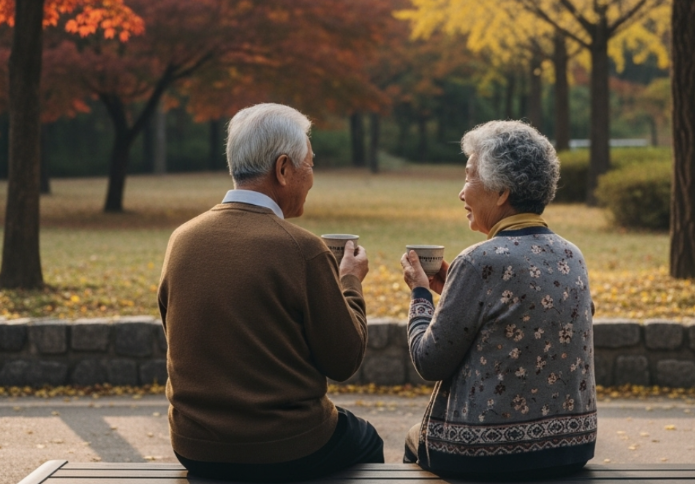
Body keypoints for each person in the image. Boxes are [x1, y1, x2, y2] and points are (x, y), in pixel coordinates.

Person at [158, 103, 383, 482]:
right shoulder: (302, 249)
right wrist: (350, 282)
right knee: (367, 441)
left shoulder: (182, 239)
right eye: (309, 165)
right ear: (283, 169)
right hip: (286, 444)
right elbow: (344, 360)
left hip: (195, 445)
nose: (312, 178)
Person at [400, 120, 597, 480]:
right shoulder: (573, 255)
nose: (462, 193)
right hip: (572, 447)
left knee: (415, 439)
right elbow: (525, 318)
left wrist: (419, 294)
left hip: (485, 452)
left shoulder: (479, 261)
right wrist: (454, 296)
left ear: (502, 190)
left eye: (469, 176)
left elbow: (429, 362)